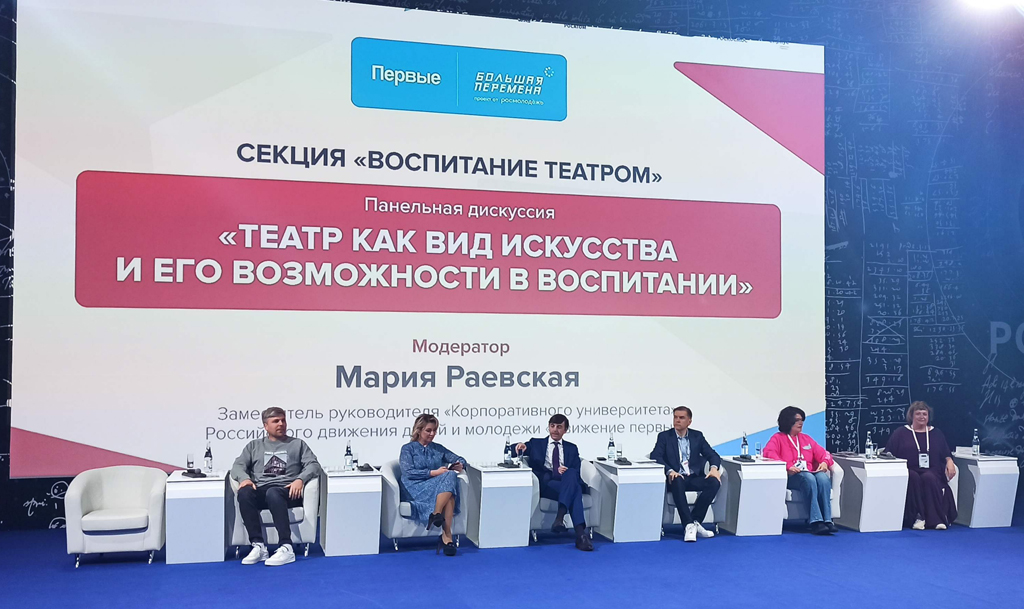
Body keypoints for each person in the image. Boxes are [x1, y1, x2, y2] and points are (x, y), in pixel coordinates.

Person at [230, 407, 322, 566]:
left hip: (288, 491)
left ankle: (286, 547)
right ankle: (258, 546)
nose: (281, 424)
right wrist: (245, 479)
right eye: (276, 421)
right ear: (265, 426)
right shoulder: (254, 446)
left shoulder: (297, 444)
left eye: (283, 420)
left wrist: (300, 479)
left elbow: (314, 465)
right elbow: (237, 466)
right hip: (261, 490)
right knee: (244, 492)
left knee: (273, 492)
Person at [515, 414, 593, 551]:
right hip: (548, 484)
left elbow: (576, 471)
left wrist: (566, 470)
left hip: (566, 482)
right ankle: (580, 535)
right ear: (549, 427)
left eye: (559, 427)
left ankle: (560, 519)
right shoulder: (536, 443)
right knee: (575, 490)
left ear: (565, 430)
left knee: (571, 475)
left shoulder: (572, 448)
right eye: (552, 426)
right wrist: (519, 446)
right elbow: (512, 450)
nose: (555, 430)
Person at [399, 414, 468, 556]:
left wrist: (460, 464)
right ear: (419, 430)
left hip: (435, 486)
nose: (432, 434)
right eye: (428, 430)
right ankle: (447, 537)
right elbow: (408, 472)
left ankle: (436, 515)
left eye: (434, 430)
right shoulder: (408, 449)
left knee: (450, 476)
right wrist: (433, 473)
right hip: (414, 487)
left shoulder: (438, 448)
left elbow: (460, 458)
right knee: (449, 488)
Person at [650, 406, 722, 542]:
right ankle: (688, 524)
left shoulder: (697, 436)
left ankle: (695, 522)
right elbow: (655, 456)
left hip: (693, 477)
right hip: (675, 478)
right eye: (675, 417)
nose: (677, 420)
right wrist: (670, 471)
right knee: (677, 480)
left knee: (714, 481)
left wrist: (714, 468)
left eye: (681, 418)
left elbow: (712, 455)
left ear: (689, 421)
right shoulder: (665, 436)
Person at [763, 406, 838, 535]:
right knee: (808, 478)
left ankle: (827, 520)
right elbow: (769, 454)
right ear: (788, 421)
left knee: (823, 478)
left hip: (808, 473)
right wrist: (787, 466)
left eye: (802, 419)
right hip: (791, 476)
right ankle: (815, 521)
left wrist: (825, 462)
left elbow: (824, 453)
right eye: (797, 420)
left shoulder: (806, 439)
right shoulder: (777, 438)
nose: (801, 422)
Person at [884, 401, 957, 530]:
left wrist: (950, 462)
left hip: (932, 470)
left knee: (928, 478)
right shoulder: (901, 433)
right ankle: (918, 517)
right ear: (911, 416)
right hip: (909, 469)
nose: (922, 417)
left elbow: (946, 453)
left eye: (925, 414)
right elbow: (888, 453)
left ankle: (935, 520)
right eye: (918, 414)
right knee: (913, 477)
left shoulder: (936, 433)